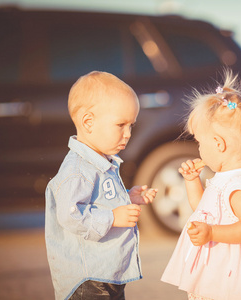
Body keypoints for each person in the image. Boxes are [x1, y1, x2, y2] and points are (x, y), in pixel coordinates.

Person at [45, 71, 157, 300]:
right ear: (88, 122)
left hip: (107, 270)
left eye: (131, 126)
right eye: (120, 125)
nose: (128, 134)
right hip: (90, 279)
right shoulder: (78, 169)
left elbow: (99, 201)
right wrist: (113, 218)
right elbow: (70, 214)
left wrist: (127, 197)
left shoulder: (101, 161)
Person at [161, 70, 241, 300]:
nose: (198, 149)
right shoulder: (224, 178)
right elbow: (203, 210)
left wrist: (212, 233)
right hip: (211, 277)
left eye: (199, 142)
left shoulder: (239, 186)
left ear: (218, 143)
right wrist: (191, 181)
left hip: (224, 283)